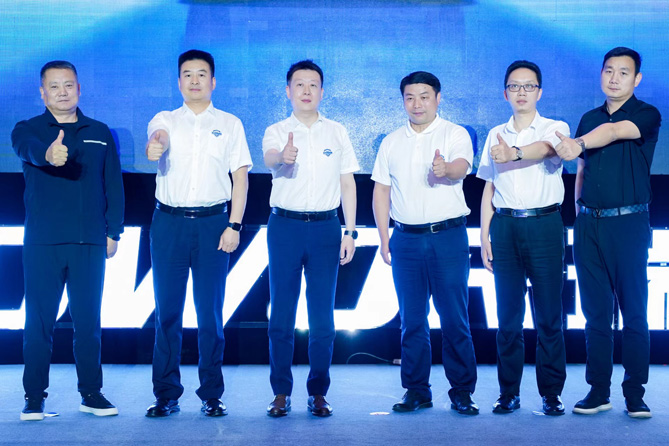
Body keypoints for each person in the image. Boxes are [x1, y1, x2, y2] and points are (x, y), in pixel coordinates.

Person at [11, 60, 124, 421]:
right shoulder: (27, 129)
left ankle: (91, 393)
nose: (62, 92)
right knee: (38, 323)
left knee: (88, 323)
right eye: (54, 86)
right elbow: (27, 149)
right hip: (43, 242)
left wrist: (113, 231)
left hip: (89, 242)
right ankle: (34, 398)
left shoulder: (99, 131)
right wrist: (48, 154)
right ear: (42, 92)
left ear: (79, 89)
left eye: (69, 85)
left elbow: (113, 184)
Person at [144, 49, 251, 418]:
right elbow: (156, 136)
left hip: (213, 224)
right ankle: (166, 394)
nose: (194, 80)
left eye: (201, 74)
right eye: (187, 74)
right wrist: (156, 143)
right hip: (169, 223)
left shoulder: (230, 124)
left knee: (210, 315)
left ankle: (211, 393)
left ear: (213, 81)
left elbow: (241, 179)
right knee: (167, 313)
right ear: (179, 82)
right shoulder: (165, 119)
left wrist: (234, 225)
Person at [555, 47, 661, 419]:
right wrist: (578, 214)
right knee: (595, 314)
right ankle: (598, 391)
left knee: (634, 312)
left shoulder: (646, 114)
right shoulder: (589, 117)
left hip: (628, 224)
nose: (614, 78)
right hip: (589, 224)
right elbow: (582, 171)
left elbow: (614, 132)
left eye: (623, 72)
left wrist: (579, 142)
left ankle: (635, 393)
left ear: (637, 79)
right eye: (608, 71)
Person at [372, 71, 479, 415]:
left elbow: (461, 167)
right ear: (403, 100)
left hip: (447, 237)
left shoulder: (455, 133)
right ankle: (416, 390)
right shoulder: (391, 142)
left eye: (424, 96)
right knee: (412, 320)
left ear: (438, 98)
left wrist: (445, 169)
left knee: (454, 318)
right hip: (405, 239)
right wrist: (384, 237)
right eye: (410, 97)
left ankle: (462, 390)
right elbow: (381, 191)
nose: (417, 104)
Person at [262, 60, 358, 418]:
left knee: (322, 318)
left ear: (322, 91)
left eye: (313, 84)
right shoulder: (276, 130)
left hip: (325, 229)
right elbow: (271, 159)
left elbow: (348, 182)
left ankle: (318, 391)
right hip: (284, 227)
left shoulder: (337, 132)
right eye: (299, 84)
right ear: (288, 91)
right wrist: (283, 158)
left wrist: (350, 231)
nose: (306, 91)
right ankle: (281, 392)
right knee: (281, 315)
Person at [477, 60, 569, 415]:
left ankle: (551, 393)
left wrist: (514, 153)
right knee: (508, 318)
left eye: (529, 86)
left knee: (549, 317)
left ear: (539, 92)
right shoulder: (494, 134)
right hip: (505, 226)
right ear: (505, 93)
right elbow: (489, 186)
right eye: (514, 86)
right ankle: (508, 392)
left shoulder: (555, 127)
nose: (521, 92)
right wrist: (485, 235)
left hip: (544, 225)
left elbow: (547, 149)